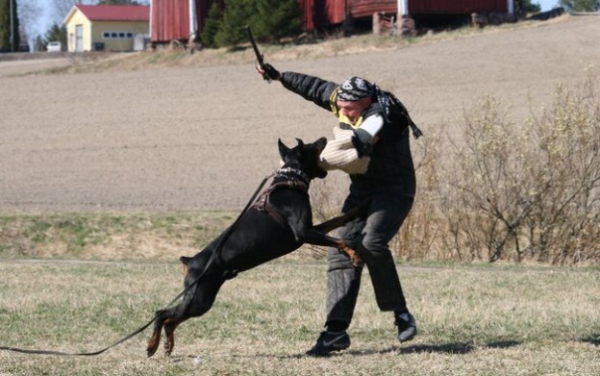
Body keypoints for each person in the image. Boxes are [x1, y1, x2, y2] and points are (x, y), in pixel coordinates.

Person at [256, 63, 422, 356]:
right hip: (362, 192)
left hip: (394, 192)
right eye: (341, 107)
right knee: (341, 249)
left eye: (350, 109)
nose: (343, 113)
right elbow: (318, 89)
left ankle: (401, 314)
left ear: (366, 101)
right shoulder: (348, 101)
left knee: (372, 242)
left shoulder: (384, 116)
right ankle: (335, 332)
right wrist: (281, 76)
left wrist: (315, 159)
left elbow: (361, 139)